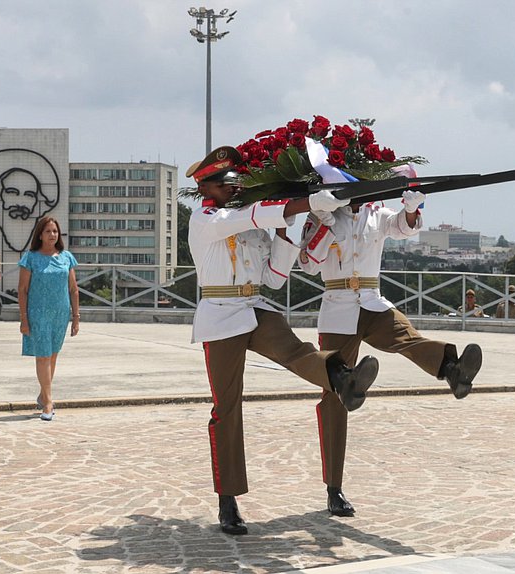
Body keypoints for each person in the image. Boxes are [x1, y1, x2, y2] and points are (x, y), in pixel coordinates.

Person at [186, 146, 380, 536]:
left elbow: (274, 278)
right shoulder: (206, 217)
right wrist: (304, 202)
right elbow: (247, 215)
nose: (234, 187)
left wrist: (284, 232)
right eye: (226, 183)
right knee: (227, 407)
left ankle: (342, 378)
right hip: (219, 314)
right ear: (206, 185)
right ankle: (228, 498)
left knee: (294, 349)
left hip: (253, 305)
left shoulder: (248, 220)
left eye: (237, 182)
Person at [298, 179, 483, 518]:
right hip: (338, 305)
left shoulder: (374, 213)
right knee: (334, 396)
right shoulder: (320, 217)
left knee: (407, 336)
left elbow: (401, 227)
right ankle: (334, 488)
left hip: (372, 301)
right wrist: (322, 224)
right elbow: (308, 264)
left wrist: (411, 210)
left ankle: (452, 370)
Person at [17, 217, 80, 422]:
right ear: (40, 235)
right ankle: (48, 402)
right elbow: (23, 289)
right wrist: (24, 319)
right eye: (48, 231)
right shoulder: (31, 258)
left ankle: (44, 393)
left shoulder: (66, 257)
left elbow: (73, 289)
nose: (52, 235)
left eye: (55, 231)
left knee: (52, 356)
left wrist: (76, 317)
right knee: (42, 356)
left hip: (60, 313)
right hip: (38, 313)